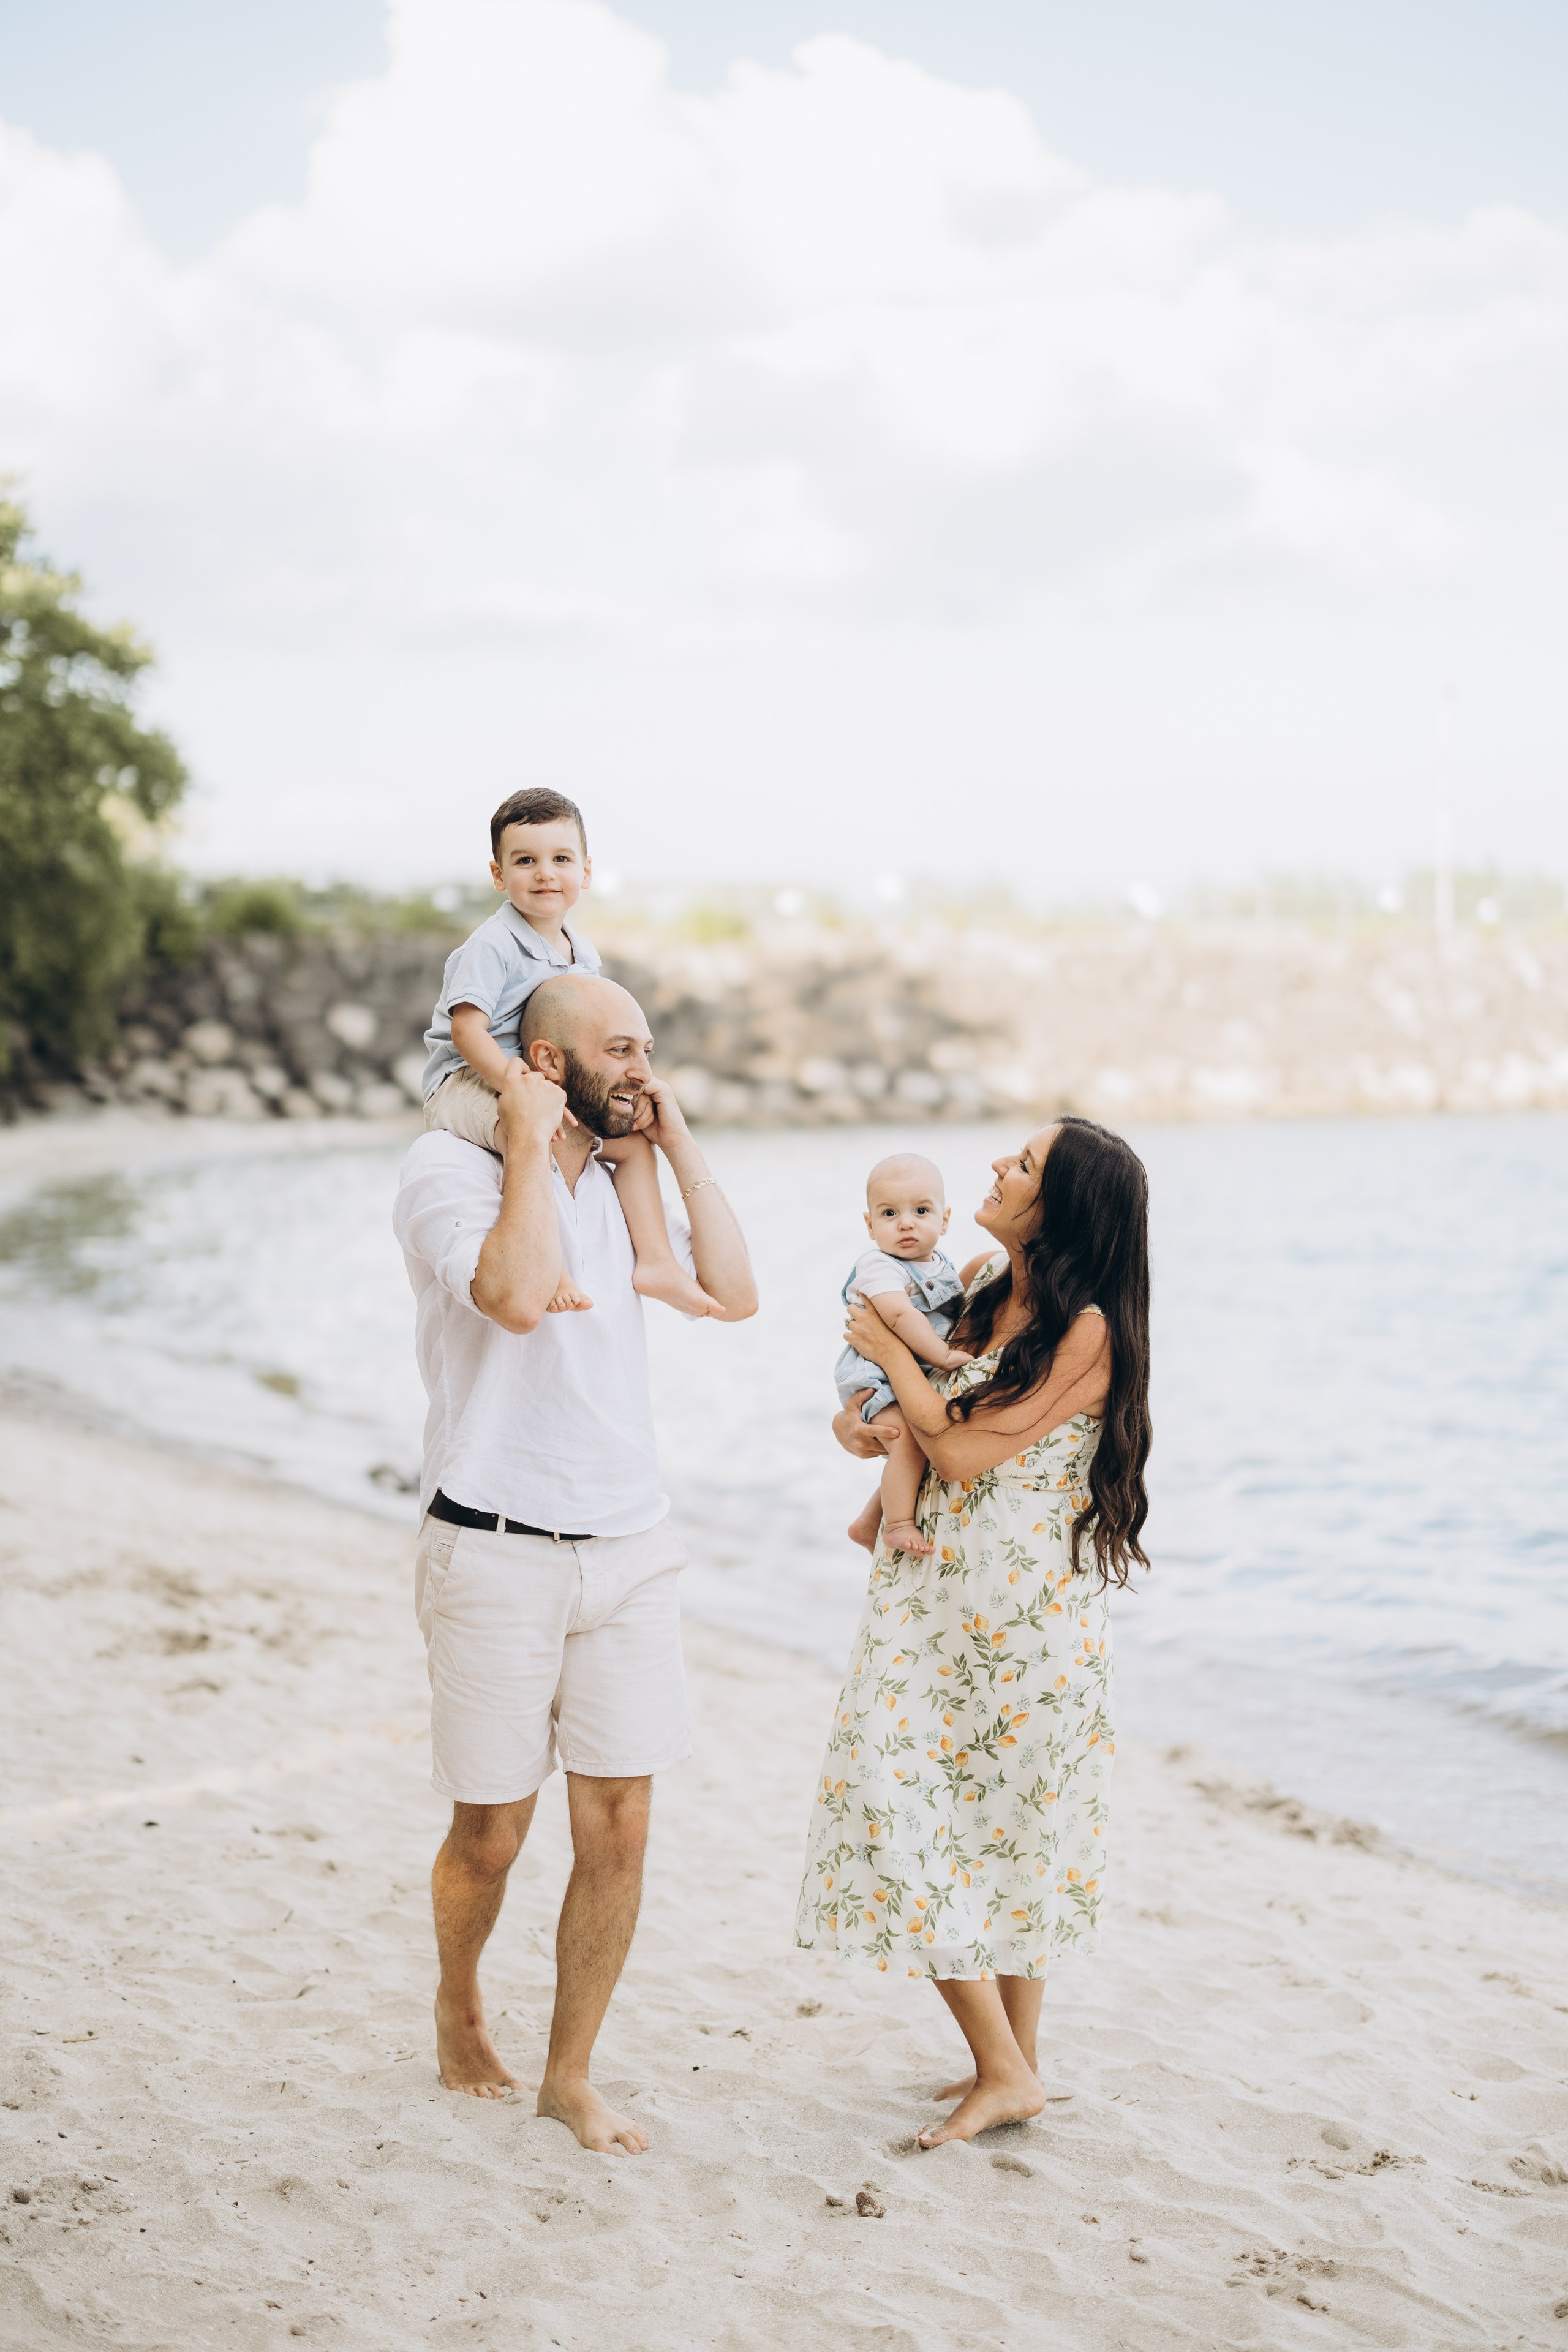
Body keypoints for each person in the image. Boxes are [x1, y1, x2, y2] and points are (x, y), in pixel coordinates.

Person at [393, 973, 758, 2153]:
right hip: (493, 1544)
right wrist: (527, 1145)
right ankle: (457, 2000)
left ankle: (569, 2073)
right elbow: (509, 1297)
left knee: (620, 1828)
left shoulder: (627, 1177)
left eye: (650, 1044)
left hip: (631, 1545)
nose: (643, 1067)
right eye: (621, 1049)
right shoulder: (445, 1174)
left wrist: (677, 1132)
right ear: (548, 1063)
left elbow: (736, 1293)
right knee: (492, 1833)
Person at [797, 1116, 1151, 2149]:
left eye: (1024, 1164)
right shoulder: (985, 1282)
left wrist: (882, 1355)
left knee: (1000, 1826)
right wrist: (852, 1416)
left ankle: (1007, 2070)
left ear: (1065, 1204)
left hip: (1028, 1616)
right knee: (933, 1809)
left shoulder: (1089, 1328)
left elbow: (961, 1455)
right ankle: (1012, 2068)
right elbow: (912, 1423)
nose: (998, 1165)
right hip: (936, 1598)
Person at [421, 784, 717, 1318]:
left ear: (585, 871)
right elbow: (467, 1031)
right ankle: (549, 1261)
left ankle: (656, 1260)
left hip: (541, 1079)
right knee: (529, 1133)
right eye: (525, 861)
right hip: (468, 1078)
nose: (544, 874)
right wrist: (516, 1085)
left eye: (561, 859)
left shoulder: (583, 952)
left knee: (627, 1144)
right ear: (498, 875)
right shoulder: (492, 945)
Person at [834, 1153, 972, 1558]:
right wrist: (944, 1357)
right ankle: (895, 1524)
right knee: (908, 1441)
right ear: (870, 1225)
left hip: (908, 1372)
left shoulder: (942, 1266)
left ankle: (867, 1522)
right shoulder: (878, 1265)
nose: (906, 1223)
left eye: (921, 1211)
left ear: (945, 1220)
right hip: (874, 1376)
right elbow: (898, 1315)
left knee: (914, 1446)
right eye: (890, 1213)